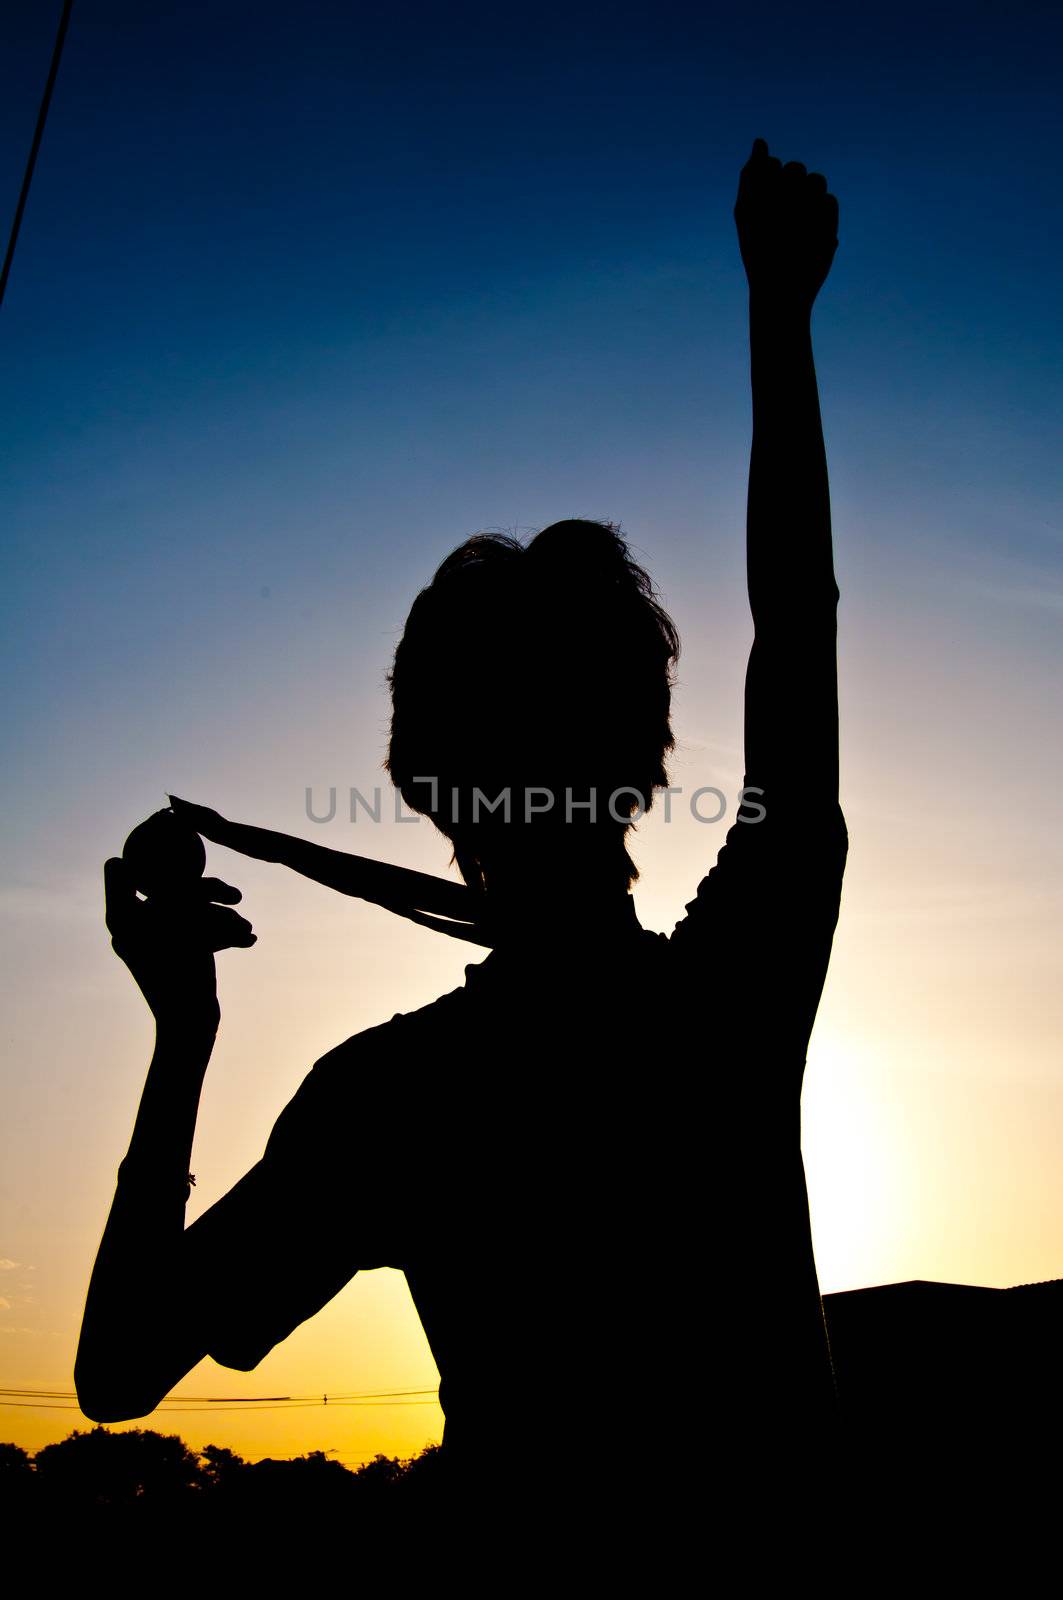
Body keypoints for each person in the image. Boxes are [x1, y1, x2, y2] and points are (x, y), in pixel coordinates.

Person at [76, 138, 847, 1536]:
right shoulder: (738, 990)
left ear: (422, 782)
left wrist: (181, 1035)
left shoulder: (389, 1101)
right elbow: (796, 631)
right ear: (649, 756)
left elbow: (120, 1371)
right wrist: (780, 309)